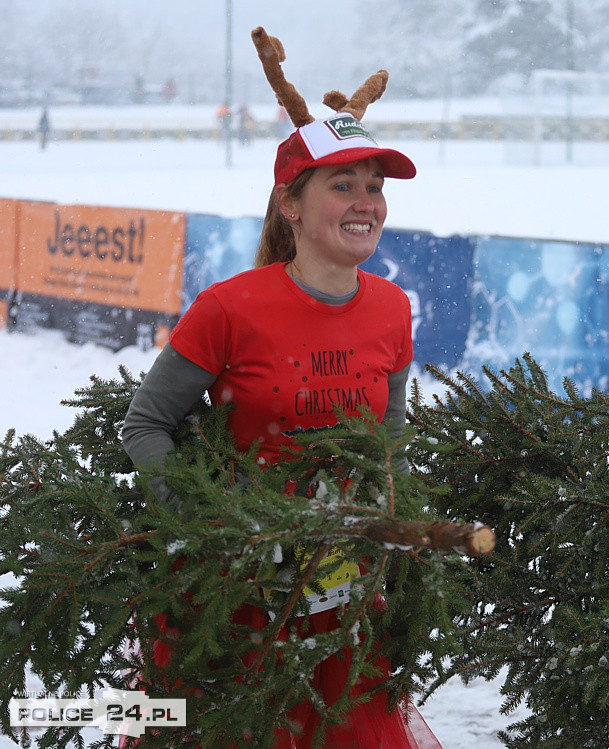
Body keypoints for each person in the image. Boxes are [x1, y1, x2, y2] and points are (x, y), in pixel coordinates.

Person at [121, 52, 440, 748]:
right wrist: (208, 527)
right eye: (343, 184)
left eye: (375, 185)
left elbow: (387, 445)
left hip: (344, 595)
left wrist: (404, 544)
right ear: (291, 204)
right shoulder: (229, 307)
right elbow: (145, 424)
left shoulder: (391, 308)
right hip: (234, 596)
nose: (367, 202)